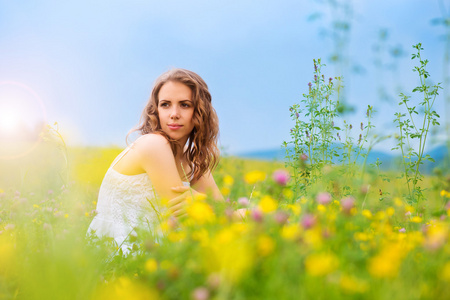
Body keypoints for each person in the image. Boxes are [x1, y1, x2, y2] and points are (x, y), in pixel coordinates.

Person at [87, 68, 224, 254]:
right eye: (165, 104)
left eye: (184, 105)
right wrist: (205, 204)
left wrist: (200, 202)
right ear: (156, 110)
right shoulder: (154, 145)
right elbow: (185, 220)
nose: (174, 114)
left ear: (200, 111)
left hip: (157, 251)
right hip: (121, 253)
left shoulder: (192, 160)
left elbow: (224, 213)